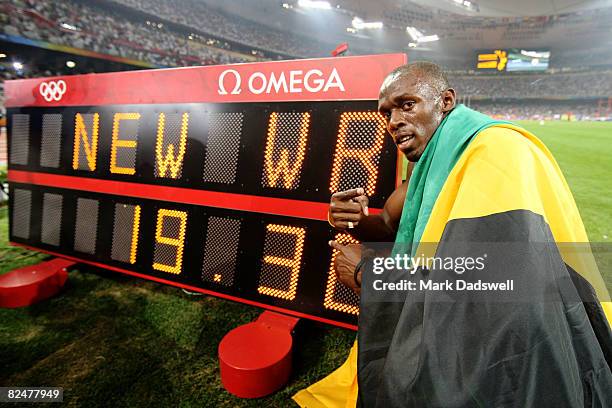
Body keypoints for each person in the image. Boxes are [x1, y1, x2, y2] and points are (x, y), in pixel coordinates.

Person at [293, 61, 612, 407]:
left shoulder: (494, 150)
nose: (394, 121)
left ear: (445, 101)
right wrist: (353, 220)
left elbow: (490, 284)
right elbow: (387, 223)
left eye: (407, 104)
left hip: (512, 351)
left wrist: (368, 273)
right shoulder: (426, 161)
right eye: (387, 112)